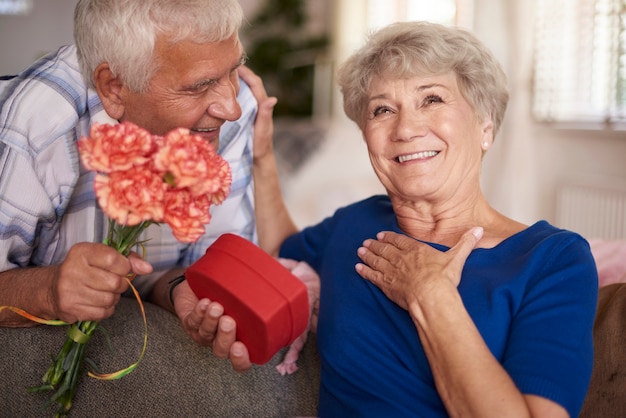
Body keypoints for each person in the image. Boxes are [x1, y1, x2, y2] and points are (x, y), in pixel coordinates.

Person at [213, 21, 599, 417]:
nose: (406, 128)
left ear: (485, 126)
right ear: (366, 136)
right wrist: (260, 154)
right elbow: (281, 249)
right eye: (382, 109)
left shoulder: (553, 260)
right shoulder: (357, 223)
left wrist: (430, 293)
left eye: (431, 99)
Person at [0, 0, 277, 356]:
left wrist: (180, 287)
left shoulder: (233, 114)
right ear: (114, 88)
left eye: (234, 71)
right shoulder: (37, 125)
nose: (232, 108)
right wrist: (47, 291)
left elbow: (194, 265)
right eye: (198, 87)